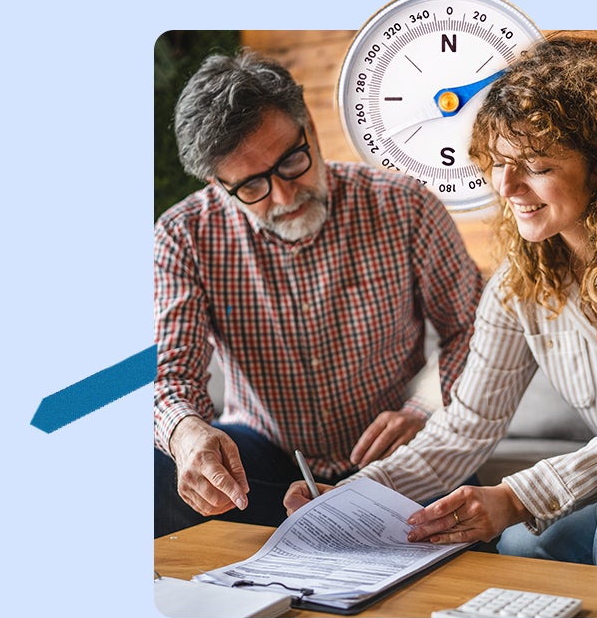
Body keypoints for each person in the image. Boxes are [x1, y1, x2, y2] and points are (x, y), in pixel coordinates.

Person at [285, 33, 597, 578]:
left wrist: (516, 496)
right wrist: (351, 495)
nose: (507, 186)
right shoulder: (518, 283)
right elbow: (465, 428)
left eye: (536, 165)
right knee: (526, 542)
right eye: (499, 162)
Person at [154, 49, 483, 538]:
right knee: (151, 475)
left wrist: (422, 410)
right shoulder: (182, 236)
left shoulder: (406, 205)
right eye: (252, 186)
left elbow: (473, 331)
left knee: (456, 508)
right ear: (217, 183)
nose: (285, 196)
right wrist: (186, 433)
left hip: (397, 454)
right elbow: (170, 372)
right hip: (264, 466)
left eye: (292, 161)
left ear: (308, 125)